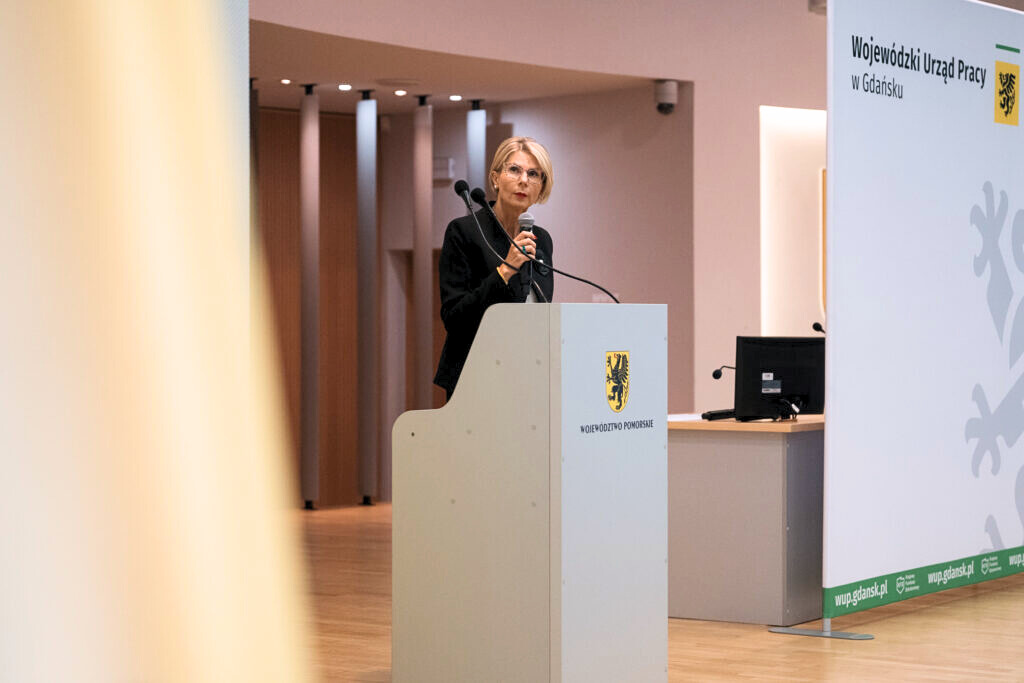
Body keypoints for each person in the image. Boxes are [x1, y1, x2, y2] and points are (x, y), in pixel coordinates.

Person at [433, 136, 555, 401]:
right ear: (496, 178)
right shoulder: (464, 232)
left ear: (542, 186)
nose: (524, 180)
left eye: (534, 174)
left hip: (528, 374)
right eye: (515, 170)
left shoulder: (542, 240)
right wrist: (505, 270)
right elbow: (454, 318)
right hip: (475, 374)